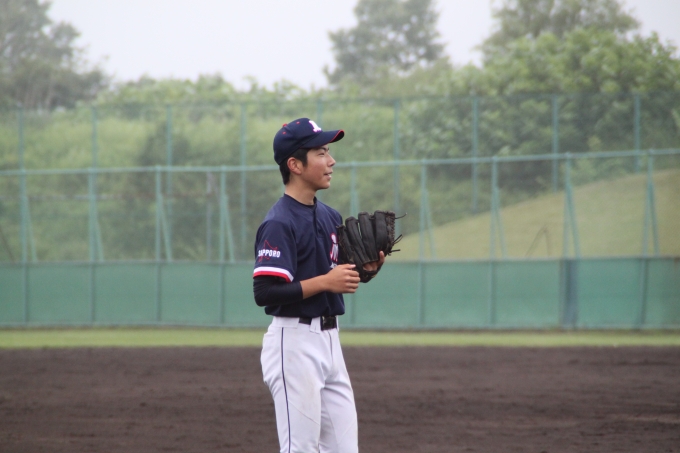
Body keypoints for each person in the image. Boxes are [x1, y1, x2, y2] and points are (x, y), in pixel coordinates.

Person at [253, 118, 384, 453]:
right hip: (294, 343)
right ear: (295, 165)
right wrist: (327, 281)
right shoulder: (278, 222)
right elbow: (265, 293)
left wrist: (364, 271)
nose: (331, 161)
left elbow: (337, 275)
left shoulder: (330, 216)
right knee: (300, 449)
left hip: (330, 341)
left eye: (329, 152)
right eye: (321, 153)